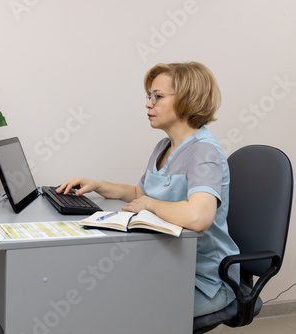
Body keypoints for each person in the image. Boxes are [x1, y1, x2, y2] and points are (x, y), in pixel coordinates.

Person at [57, 61, 240, 317]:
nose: (148, 104)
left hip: (205, 280)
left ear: (188, 99)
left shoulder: (204, 152)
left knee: (129, 314)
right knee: (107, 299)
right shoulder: (165, 147)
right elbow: (141, 194)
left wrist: (150, 205)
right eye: (149, 96)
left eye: (158, 96)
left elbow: (199, 217)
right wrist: (97, 185)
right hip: (170, 264)